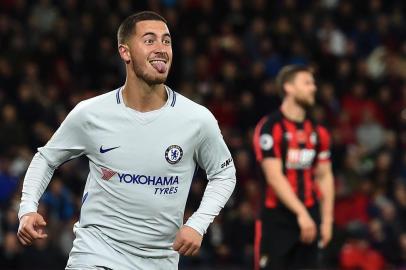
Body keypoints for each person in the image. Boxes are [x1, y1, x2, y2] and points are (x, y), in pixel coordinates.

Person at [17, 11, 236, 270]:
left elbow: (224, 174)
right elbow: (46, 158)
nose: (161, 49)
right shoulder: (92, 113)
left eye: (166, 41)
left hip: (159, 261)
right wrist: (27, 208)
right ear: (125, 52)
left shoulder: (197, 119)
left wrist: (197, 224)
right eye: (150, 40)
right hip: (96, 253)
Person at [252, 65, 334, 270]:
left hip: (311, 214)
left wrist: (327, 220)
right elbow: (274, 177)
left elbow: (324, 176)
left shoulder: (318, 131)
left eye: (313, 83)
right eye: (307, 83)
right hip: (277, 218)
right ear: (288, 88)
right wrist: (301, 213)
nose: (313, 88)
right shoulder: (270, 127)